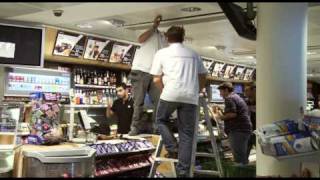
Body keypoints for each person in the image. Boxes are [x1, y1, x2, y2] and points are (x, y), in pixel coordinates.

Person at [150, 26, 207, 177]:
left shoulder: (162, 53)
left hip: (170, 94)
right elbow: (202, 76)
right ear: (183, 37)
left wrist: (164, 90)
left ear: (167, 38)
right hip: (190, 97)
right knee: (187, 134)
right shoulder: (194, 54)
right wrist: (198, 90)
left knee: (160, 120)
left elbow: (156, 79)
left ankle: (172, 146)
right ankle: (183, 172)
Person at [128, 15, 168, 136]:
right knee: (138, 102)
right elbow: (140, 39)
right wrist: (154, 27)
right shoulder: (151, 33)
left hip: (155, 73)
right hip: (140, 70)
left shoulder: (163, 40)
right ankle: (135, 127)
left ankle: (157, 127)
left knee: (160, 101)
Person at [213, 82, 252, 165]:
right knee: (242, 155)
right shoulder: (236, 97)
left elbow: (232, 114)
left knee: (239, 158)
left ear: (226, 90)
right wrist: (222, 111)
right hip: (244, 129)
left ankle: (240, 173)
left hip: (238, 130)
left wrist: (219, 116)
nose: (220, 95)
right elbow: (233, 112)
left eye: (221, 92)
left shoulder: (229, 98)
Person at [244, 83, 256, 159]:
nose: (245, 92)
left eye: (247, 90)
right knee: (245, 149)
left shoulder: (261, 102)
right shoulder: (246, 102)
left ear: (253, 90)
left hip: (258, 130)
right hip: (248, 130)